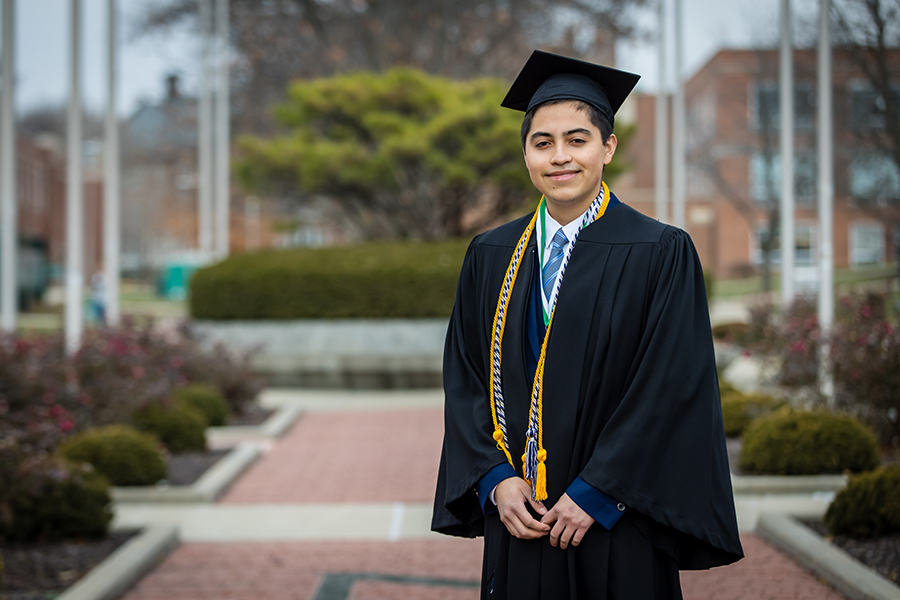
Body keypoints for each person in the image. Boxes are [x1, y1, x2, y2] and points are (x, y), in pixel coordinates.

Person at [432, 50, 743, 599]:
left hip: (618, 521)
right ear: (525, 153)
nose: (560, 158)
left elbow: (671, 384)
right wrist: (493, 479)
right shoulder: (490, 253)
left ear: (608, 147)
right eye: (542, 142)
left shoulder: (659, 251)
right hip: (519, 516)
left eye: (577, 140)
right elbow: (464, 377)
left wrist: (600, 491)